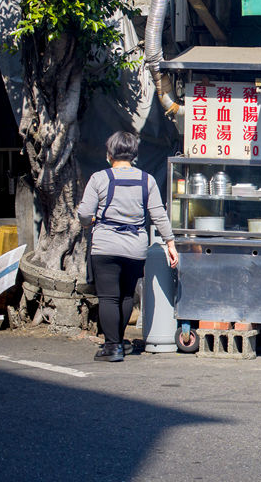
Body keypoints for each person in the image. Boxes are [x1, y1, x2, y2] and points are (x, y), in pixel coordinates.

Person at [77, 131, 179, 362]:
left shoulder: (99, 178)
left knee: (108, 298)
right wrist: (170, 243)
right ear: (134, 154)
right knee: (125, 296)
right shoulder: (147, 180)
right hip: (135, 247)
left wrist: (88, 223)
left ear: (109, 154)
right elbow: (159, 215)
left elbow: (84, 213)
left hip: (105, 246)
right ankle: (119, 342)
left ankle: (112, 346)